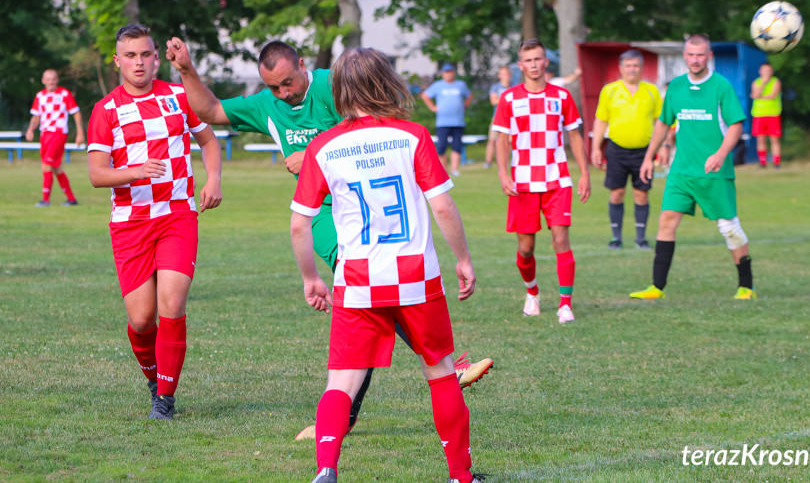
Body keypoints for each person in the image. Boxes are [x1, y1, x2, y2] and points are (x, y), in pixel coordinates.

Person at [164, 38, 492, 438]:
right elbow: (211, 110)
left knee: (367, 306)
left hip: (366, 210)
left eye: (288, 82)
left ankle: (359, 409)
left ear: (302, 65)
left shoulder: (330, 84)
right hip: (323, 218)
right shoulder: (269, 104)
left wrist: (316, 153)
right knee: (366, 303)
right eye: (274, 87)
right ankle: (431, 375)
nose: (283, 93)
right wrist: (186, 70)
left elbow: (369, 119)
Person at [290, 47, 480, 483]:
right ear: (386, 82)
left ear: (339, 89)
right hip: (416, 274)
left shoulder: (323, 146)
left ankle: (326, 468)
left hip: (356, 278)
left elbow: (300, 226)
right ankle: (460, 476)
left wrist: (311, 278)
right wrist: (464, 259)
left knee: (341, 382)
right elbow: (444, 207)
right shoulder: (412, 136)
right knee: (441, 372)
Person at [87, 23, 223, 420]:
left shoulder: (180, 97)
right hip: (130, 223)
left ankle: (165, 399)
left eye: (145, 54)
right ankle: (153, 376)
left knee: (172, 303)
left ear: (156, 56)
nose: (139, 62)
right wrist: (136, 171)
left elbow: (209, 141)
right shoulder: (105, 110)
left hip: (177, 216)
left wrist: (213, 178)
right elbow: (97, 174)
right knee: (142, 319)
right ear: (117, 61)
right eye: (130, 56)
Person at [631, 34, 755, 301]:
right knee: (666, 221)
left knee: (729, 228)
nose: (695, 59)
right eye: (691, 55)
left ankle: (746, 286)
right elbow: (664, 123)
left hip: (714, 172)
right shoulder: (675, 87)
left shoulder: (721, 86)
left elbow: (736, 126)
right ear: (685, 56)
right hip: (682, 171)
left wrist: (721, 153)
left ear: (708, 56)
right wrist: (648, 157)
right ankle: (656, 287)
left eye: (700, 55)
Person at [493, 39, 591, 325]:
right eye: (528, 60)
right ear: (520, 65)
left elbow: (574, 135)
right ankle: (532, 293)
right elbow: (502, 139)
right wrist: (503, 174)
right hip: (522, 182)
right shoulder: (509, 98)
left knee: (561, 239)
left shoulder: (561, 96)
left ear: (546, 62)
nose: (534, 65)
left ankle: (565, 304)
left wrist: (584, 173)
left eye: (538, 59)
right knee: (525, 248)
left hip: (557, 179)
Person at [591, 50, 668, 250]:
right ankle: (616, 237)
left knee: (641, 194)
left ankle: (640, 238)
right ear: (621, 68)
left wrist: (665, 145)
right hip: (616, 150)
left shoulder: (651, 91)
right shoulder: (610, 90)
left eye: (635, 65)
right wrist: (596, 148)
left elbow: (662, 121)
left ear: (641, 68)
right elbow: (601, 120)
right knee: (616, 193)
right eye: (628, 65)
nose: (632, 69)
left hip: (644, 153)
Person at [25, 69, 85, 207]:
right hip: (44, 134)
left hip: (58, 133)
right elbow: (36, 116)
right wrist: (30, 129)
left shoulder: (64, 94)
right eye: (48, 79)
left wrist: (80, 133)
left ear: (57, 80)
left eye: (53, 79)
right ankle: (71, 199)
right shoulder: (40, 96)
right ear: (43, 80)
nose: (51, 82)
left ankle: (45, 200)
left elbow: (76, 113)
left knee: (47, 165)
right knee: (55, 167)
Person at [420, 63, 473, 176]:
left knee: (457, 146)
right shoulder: (438, 85)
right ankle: (443, 170)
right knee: (441, 147)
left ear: (453, 72)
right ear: (443, 74)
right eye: (446, 72)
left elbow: (469, 95)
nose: (448, 74)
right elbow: (425, 96)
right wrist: (433, 107)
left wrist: (465, 106)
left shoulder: (460, 84)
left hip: (458, 121)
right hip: (442, 122)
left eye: (450, 71)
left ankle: (454, 170)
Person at [750, 62, 782, 168]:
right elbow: (755, 95)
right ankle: (762, 162)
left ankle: (776, 162)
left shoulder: (775, 82)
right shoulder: (757, 82)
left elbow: (772, 95)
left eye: (768, 70)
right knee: (760, 139)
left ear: (771, 72)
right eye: (764, 70)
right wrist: (763, 84)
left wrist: (759, 96)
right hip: (759, 115)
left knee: (774, 139)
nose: (766, 73)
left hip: (773, 114)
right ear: (760, 71)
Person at [484, 65, 511, 169]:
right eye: (503, 74)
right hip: (497, 118)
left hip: (509, 119)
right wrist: (506, 100)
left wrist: (501, 100)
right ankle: (488, 162)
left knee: (508, 142)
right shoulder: (495, 87)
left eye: (507, 74)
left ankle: (504, 162)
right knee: (492, 140)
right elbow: (493, 101)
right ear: (499, 75)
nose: (506, 76)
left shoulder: (513, 86)